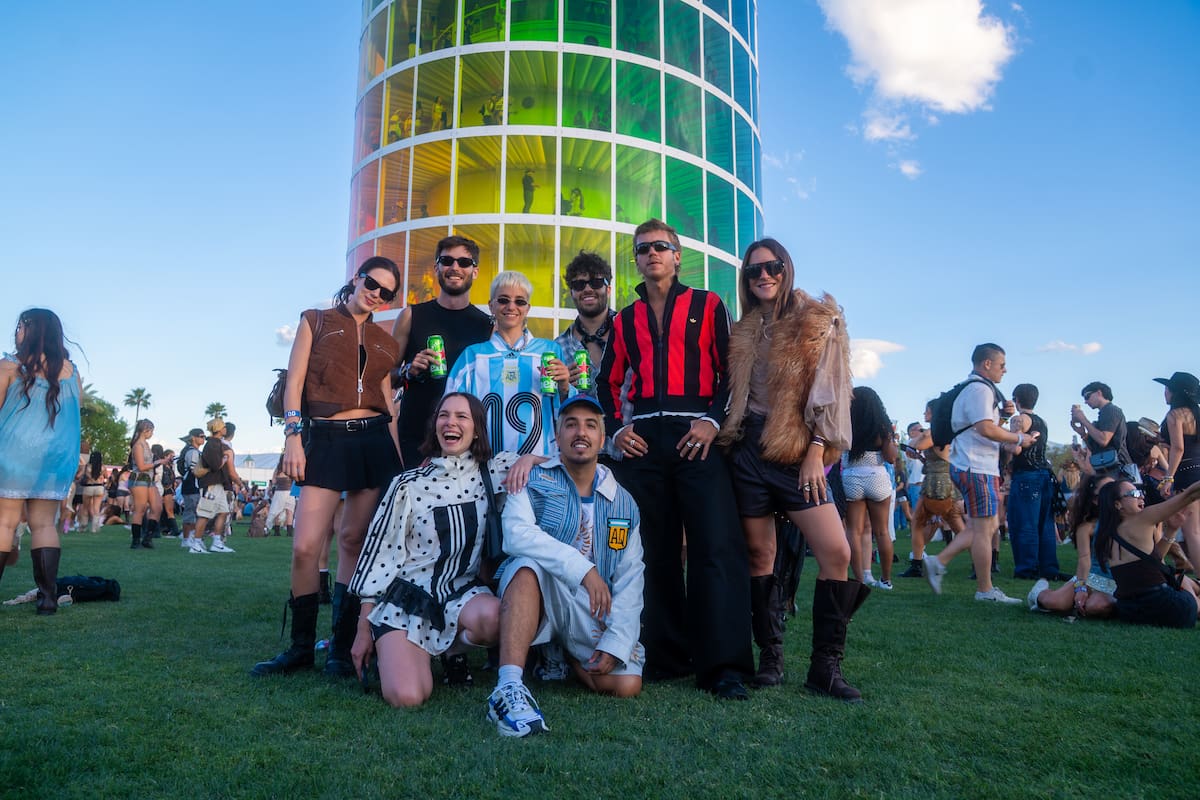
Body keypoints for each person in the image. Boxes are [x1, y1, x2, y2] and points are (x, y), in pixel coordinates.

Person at [597, 218, 754, 699]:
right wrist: (620, 429)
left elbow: (731, 373)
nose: (651, 254)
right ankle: (666, 653)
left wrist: (712, 421)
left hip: (697, 433)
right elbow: (606, 383)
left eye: (661, 247)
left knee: (715, 547)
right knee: (653, 552)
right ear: (637, 259)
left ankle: (723, 665)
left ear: (678, 254)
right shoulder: (623, 319)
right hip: (644, 439)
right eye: (642, 249)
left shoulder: (709, 304)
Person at [715, 239, 867, 699]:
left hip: (799, 450)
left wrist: (816, 451)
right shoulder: (742, 330)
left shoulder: (818, 321)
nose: (763, 275)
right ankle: (772, 658)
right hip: (746, 451)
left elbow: (833, 392)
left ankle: (826, 667)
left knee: (836, 553)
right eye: (754, 270)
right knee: (760, 556)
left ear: (787, 268)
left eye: (772, 267)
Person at [252, 256, 404, 678]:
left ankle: (339, 647)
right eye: (372, 283)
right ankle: (300, 647)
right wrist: (293, 436)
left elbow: (388, 403)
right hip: (323, 440)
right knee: (305, 546)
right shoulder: (315, 320)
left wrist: (398, 463)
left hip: (373, 441)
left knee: (353, 542)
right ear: (357, 279)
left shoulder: (386, 340)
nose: (375, 294)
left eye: (386, 292)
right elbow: (295, 384)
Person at [348, 393, 522, 707]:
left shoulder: (493, 473)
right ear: (435, 426)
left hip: (461, 594)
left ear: (477, 429)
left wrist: (532, 460)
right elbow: (379, 556)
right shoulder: (408, 484)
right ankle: (403, 651)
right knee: (409, 697)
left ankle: (452, 652)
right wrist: (362, 628)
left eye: (461, 416)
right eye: (444, 415)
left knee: (499, 618)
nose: (451, 422)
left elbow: (544, 463)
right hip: (408, 600)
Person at [486, 395, 644, 737]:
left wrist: (616, 642)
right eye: (570, 424)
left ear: (603, 440)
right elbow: (515, 535)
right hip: (538, 592)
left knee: (627, 683)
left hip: (584, 607)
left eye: (590, 425)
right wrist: (583, 570)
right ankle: (508, 685)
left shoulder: (623, 503)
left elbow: (631, 580)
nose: (580, 432)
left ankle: (560, 652)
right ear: (556, 438)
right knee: (527, 564)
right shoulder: (531, 479)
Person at [923, 343, 1034, 604]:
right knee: (984, 529)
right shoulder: (979, 390)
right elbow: (985, 429)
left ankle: (938, 562)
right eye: (1001, 365)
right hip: (977, 466)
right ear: (987, 363)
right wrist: (1019, 437)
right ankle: (984, 589)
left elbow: (983, 428)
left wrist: (1004, 423)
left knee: (985, 526)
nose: (1004, 370)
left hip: (975, 465)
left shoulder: (977, 389)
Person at [0, 309, 82, 614]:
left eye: (19, 326)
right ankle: (48, 598)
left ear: (28, 330)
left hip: (13, 453)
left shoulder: (9, 366)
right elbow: (73, 415)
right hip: (54, 460)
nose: (16, 331)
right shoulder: (70, 372)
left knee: (4, 523)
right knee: (45, 524)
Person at [445, 271, 571, 463]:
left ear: (527, 308)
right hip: (482, 470)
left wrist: (565, 387)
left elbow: (566, 415)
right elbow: (450, 414)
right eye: (503, 300)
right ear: (491, 305)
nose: (511, 306)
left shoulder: (549, 351)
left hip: (539, 468)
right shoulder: (473, 356)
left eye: (519, 301)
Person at [391, 236, 493, 469]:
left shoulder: (487, 325)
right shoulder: (410, 316)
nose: (455, 267)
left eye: (464, 262)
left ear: (474, 271)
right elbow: (386, 377)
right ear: (437, 267)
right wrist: (408, 370)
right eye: (447, 260)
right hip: (414, 439)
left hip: (466, 445)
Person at [1092, 479, 1200, 627]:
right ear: (1117, 504)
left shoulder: (1105, 533)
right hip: (1170, 608)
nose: (1141, 496)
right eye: (1134, 493)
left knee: (1178, 580)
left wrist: (1171, 530)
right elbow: (1189, 495)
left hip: (1131, 612)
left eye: (1140, 492)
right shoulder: (1142, 518)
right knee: (1184, 588)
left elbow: (1153, 562)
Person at [1026, 474, 1117, 617]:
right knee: (1056, 603)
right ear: (1095, 499)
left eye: (1116, 489)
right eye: (1107, 491)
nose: (1114, 494)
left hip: (1118, 579)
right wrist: (1081, 587)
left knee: (1096, 607)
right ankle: (1039, 592)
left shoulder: (1130, 520)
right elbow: (1084, 559)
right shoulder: (1088, 527)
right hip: (1091, 577)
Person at [1005, 383, 1064, 580]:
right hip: (1045, 474)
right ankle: (1049, 568)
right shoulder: (1042, 422)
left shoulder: (1019, 420)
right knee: (1045, 524)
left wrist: (1003, 442)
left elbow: (1016, 449)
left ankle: (1026, 568)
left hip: (1026, 474)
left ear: (1016, 399)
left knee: (1025, 523)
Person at [843, 386, 899, 591]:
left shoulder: (846, 424)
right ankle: (886, 580)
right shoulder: (881, 426)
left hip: (851, 476)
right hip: (876, 476)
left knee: (853, 532)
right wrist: (890, 438)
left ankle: (859, 579)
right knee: (882, 532)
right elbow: (891, 458)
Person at [1156, 372, 1200, 571]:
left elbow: (1179, 448)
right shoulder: (1195, 415)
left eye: (1167, 389)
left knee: (1192, 532)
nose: (1164, 393)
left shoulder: (1175, 415)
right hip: (1197, 470)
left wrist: (1168, 477)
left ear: (1175, 392)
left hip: (1186, 475)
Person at [1071, 381, 1135, 482]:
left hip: (1118, 469)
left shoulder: (1112, 410)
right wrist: (1083, 434)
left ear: (1099, 393)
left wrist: (1083, 419)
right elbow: (1096, 449)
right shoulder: (1103, 415)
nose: (1086, 401)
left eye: (1087, 396)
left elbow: (1104, 440)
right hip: (1107, 467)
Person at [127, 419, 168, 550]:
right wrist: (158, 462)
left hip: (148, 480)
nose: (152, 434)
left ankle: (148, 537)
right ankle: (136, 540)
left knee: (157, 507)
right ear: (146, 430)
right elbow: (141, 466)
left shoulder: (145, 444)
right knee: (140, 509)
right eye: (151, 431)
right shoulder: (138, 445)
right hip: (139, 479)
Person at [176, 428, 205, 551]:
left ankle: (189, 537)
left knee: (192, 511)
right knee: (191, 512)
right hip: (192, 484)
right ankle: (188, 538)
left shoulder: (191, 451)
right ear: (194, 437)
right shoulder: (193, 452)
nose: (203, 439)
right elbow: (195, 470)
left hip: (191, 484)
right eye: (201, 436)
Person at [78, 450, 105, 533]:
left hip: (88, 487)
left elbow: (82, 475)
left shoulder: (87, 466)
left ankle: (83, 526)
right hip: (99, 488)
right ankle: (95, 528)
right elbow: (106, 476)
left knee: (85, 507)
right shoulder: (103, 467)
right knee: (96, 508)